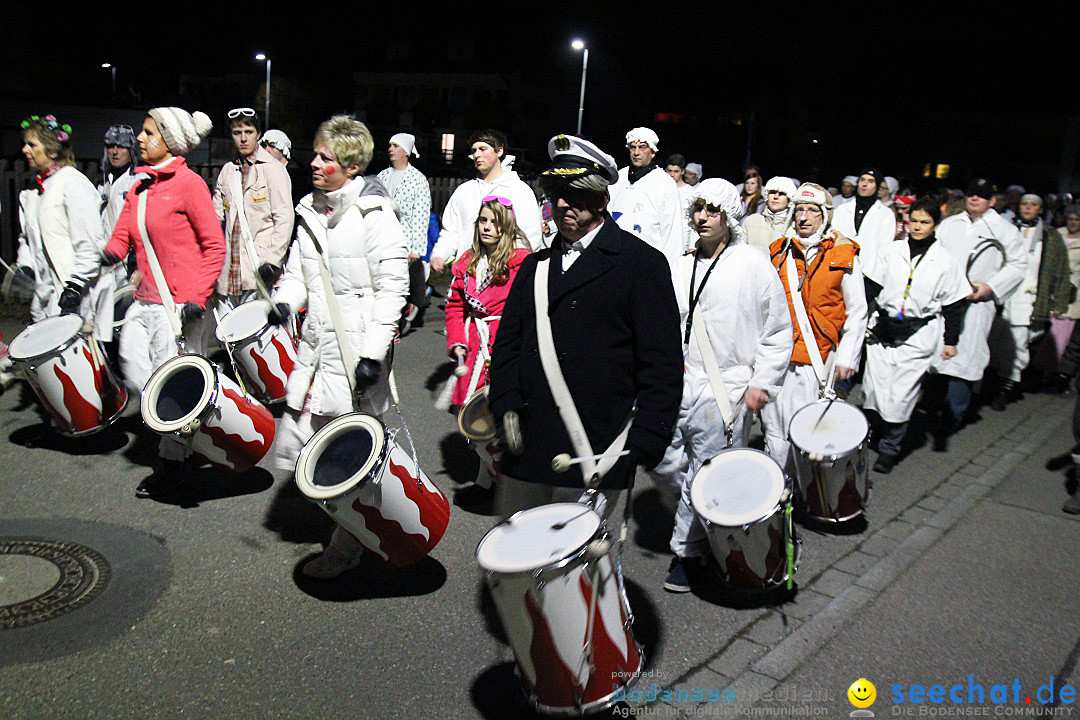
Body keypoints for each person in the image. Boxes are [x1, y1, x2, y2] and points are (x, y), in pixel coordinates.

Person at [488, 134, 682, 521]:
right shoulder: (535, 267)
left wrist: (649, 435)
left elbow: (661, 362)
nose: (562, 204)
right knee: (514, 563)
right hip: (529, 440)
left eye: (574, 193)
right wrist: (505, 403)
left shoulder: (641, 264)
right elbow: (508, 345)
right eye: (556, 192)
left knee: (572, 571)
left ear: (602, 198)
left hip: (597, 444)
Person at [268, 115, 409, 579]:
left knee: (350, 452)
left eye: (325, 157)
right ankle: (353, 525)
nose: (313, 163)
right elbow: (297, 276)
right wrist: (282, 304)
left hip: (354, 352)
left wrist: (372, 354)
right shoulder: (310, 208)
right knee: (307, 441)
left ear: (349, 166)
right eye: (314, 154)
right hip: (318, 346)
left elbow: (393, 287)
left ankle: (349, 546)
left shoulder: (374, 214)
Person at [651, 178, 792, 592]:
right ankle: (707, 515)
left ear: (728, 215)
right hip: (679, 378)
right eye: (698, 209)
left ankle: (686, 553)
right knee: (662, 461)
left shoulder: (753, 264)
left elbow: (778, 330)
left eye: (713, 210)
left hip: (728, 384)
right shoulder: (680, 262)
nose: (703, 218)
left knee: (706, 470)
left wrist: (762, 381)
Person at [102, 107, 224, 496]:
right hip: (146, 298)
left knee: (173, 385)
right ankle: (184, 434)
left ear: (169, 141)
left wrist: (197, 296)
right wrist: (99, 258)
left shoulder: (189, 184)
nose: (139, 138)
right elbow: (122, 236)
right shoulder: (140, 185)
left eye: (148, 132)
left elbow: (214, 246)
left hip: (179, 307)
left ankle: (172, 466)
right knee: (137, 373)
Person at [761, 183, 868, 472]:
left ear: (824, 216)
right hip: (780, 355)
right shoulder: (779, 251)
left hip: (817, 358)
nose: (804, 217)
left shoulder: (843, 253)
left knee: (808, 427)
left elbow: (858, 311)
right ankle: (778, 489)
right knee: (774, 426)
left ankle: (807, 488)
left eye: (811, 210)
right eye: (799, 210)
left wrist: (847, 357)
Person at [862, 198, 969, 473]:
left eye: (925, 222)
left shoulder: (945, 261)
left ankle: (889, 448)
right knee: (875, 389)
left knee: (902, 395)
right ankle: (868, 437)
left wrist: (951, 341)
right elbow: (870, 286)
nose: (918, 227)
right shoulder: (891, 251)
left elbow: (954, 305)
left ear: (935, 225)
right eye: (915, 221)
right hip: (882, 329)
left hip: (918, 332)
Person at [444, 196, 530, 494]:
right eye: (483, 220)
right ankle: (488, 475)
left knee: (503, 418)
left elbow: (528, 311)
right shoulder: (467, 261)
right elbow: (455, 307)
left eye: (495, 222)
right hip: (473, 346)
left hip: (504, 346)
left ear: (507, 227)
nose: (488, 227)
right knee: (472, 420)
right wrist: (456, 342)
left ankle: (504, 481)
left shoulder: (520, 263)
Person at [929, 177, 1025, 442]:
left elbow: (1017, 265)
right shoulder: (950, 224)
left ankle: (953, 415)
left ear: (992, 201)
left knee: (964, 357)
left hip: (976, 302)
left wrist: (990, 286)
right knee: (937, 352)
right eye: (972, 194)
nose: (975, 199)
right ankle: (934, 408)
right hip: (944, 300)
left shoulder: (1004, 230)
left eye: (982, 196)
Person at [16, 114, 109, 343]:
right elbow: (26, 239)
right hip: (45, 299)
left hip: (73, 297)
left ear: (52, 150)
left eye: (32, 145)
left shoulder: (73, 184)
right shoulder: (31, 194)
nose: (25, 150)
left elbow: (90, 243)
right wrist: (25, 266)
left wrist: (74, 287)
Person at [988, 193, 1071, 409]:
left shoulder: (1050, 236)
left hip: (1028, 297)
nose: (1028, 208)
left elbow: (1061, 271)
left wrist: (1058, 303)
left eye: (1033, 205)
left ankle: (1005, 389)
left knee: (1016, 345)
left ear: (1040, 210)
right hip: (1002, 295)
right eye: (1024, 204)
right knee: (994, 341)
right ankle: (992, 382)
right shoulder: (1007, 230)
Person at [210, 108, 294, 322]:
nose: (243, 137)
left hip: (259, 270)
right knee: (228, 340)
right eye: (237, 132)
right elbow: (214, 218)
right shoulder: (227, 171)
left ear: (258, 134)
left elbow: (284, 218)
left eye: (248, 131)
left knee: (257, 341)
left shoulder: (273, 169)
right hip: (229, 272)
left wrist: (272, 262)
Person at [429, 129, 542, 273]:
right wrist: (439, 255)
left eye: (483, 149)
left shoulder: (519, 191)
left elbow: (530, 238)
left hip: (502, 281)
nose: (477, 155)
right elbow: (451, 232)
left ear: (499, 151)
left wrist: (506, 267)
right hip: (464, 279)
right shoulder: (464, 191)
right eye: (474, 150)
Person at [607, 127, 684, 280]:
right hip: (613, 260)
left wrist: (666, 271)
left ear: (652, 152)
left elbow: (672, 232)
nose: (636, 153)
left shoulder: (663, 182)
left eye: (642, 147)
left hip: (645, 264)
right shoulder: (619, 178)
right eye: (632, 147)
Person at [378, 133, 432, 330]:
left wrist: (416, 248)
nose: (390, 149)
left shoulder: (417, 180)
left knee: (400, 284)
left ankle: (402, 318)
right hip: (382, 238)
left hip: (405, 240)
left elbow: (421, 215)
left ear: (406, 151)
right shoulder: (382, 176)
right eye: (390, 145)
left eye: (395, 146)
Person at [832, 168, 895, 288]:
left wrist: (875, 277)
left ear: (877, 186)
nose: (865, 184)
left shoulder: (886, 214)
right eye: (862, 180)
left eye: (871, 181)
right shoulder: (842, 209)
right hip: (839, 272)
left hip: (869, 276)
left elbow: (885, 249)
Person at [99, 124, 144, 238]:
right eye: (111, 146)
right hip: (104, 251)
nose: (115, 151)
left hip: (130, 252)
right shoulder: (102, 183)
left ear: (131, 150)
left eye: (121, 146)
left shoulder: (141, 181)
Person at [743, 176, 797, 253]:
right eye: (772, 192)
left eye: (781, 194)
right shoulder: (751, 220)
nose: (775, 197)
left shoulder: (793, 227)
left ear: (789, 198)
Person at [665, 153, 697, 251]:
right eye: (669, 171)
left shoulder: (690, 193)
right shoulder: (661, 189)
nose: (672, 175)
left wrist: (692, 245)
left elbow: (694, 221)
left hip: (682, 241)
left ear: (682, 172)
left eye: (676, 171)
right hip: (664, 238)